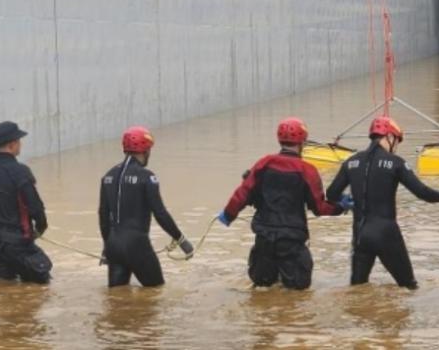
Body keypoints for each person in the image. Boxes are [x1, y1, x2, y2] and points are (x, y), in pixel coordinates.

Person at [326, 116, 439, 289]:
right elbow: (423, 193)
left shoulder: (351, 161)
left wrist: (345, 201)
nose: (396, 146)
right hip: (386, 234)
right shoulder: (396, 163)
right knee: (410, 288)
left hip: (360, 235)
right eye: (397, 141)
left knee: (357, 290)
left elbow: (331, 193)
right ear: (389, 137)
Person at [216, 117, 345, 290]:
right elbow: (320, 208)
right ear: (303, 142)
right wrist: (341, 207)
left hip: (264, 240)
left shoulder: (264, 163)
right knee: (298, 294)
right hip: (291, 242)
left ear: (279, 139)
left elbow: (243, 193)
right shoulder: (307, 170)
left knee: (262, 289)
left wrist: (228, 215)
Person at [99, 126, 193, 287]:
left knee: (117, 303)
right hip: (137, 245)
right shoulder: (147, 177)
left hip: (113, 245)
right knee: (155, 294)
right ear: (145, 150)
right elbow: (160, 213)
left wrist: (107, 246)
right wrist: (180, 239)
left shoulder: (108, 176)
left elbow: (103, 216)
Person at [0, 121, 52, 283]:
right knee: (41, 287)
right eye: (19, 141)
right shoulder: (20, 172)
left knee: (0, 294)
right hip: (19, 244)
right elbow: (36, 208)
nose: (20, 145)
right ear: (12, 144)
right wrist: (39, 229)